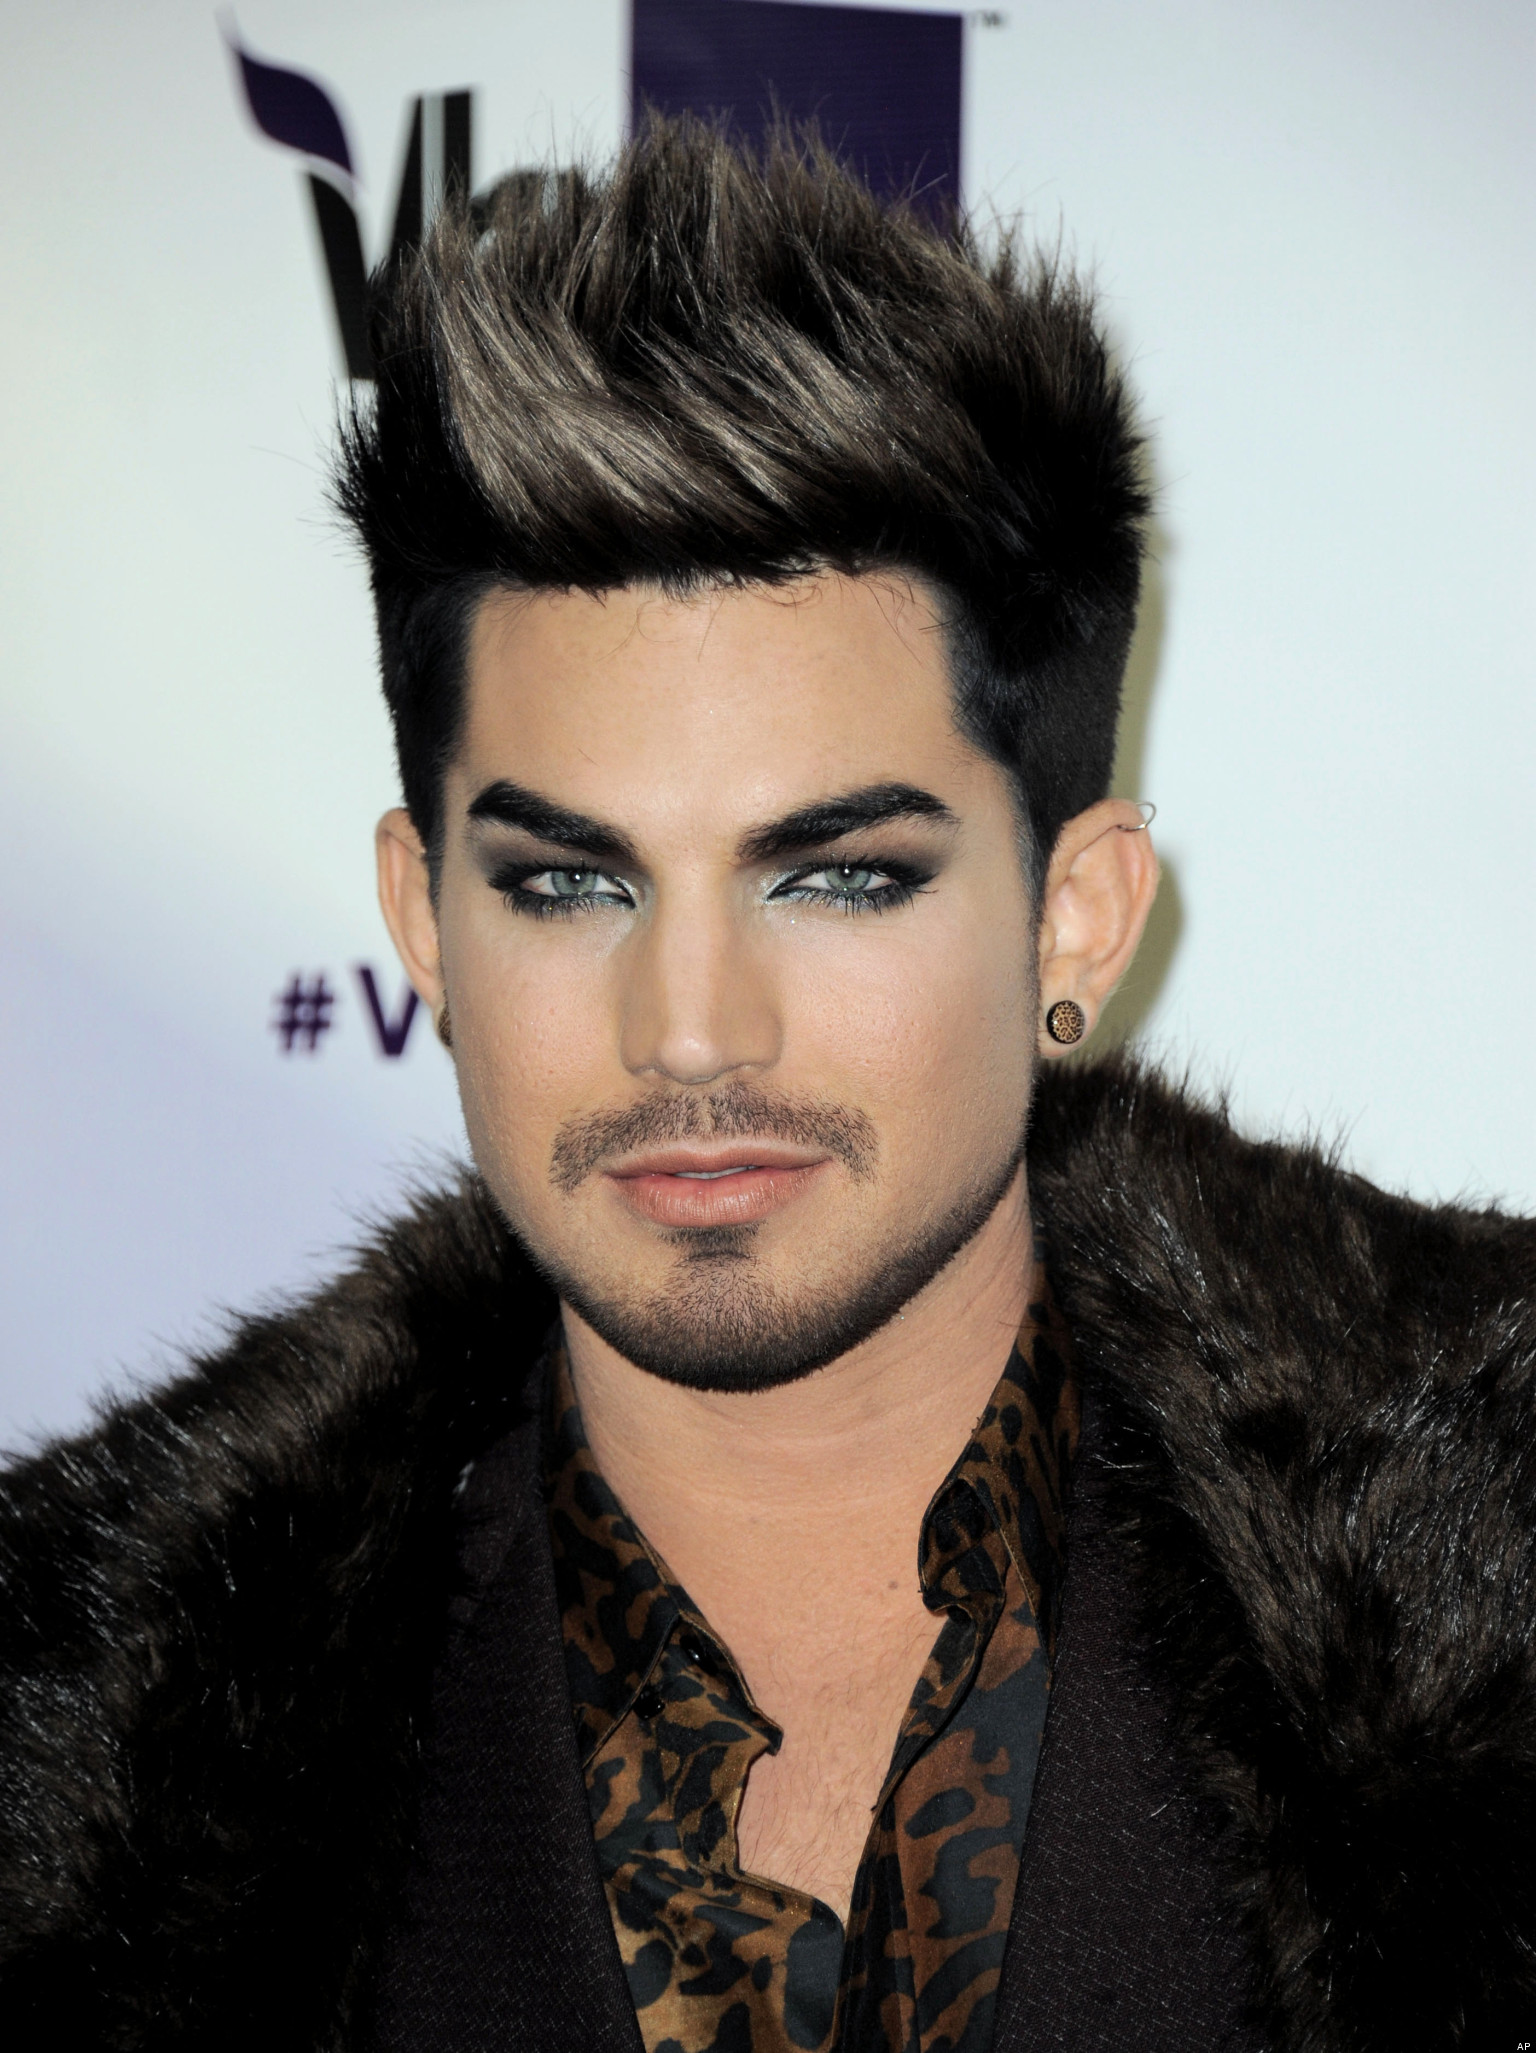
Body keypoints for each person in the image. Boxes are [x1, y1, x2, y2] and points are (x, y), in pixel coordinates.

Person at [0, 121, 1532, 2053]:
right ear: (421, 917)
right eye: (568, 882)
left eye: (838, 877)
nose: (692, 1028)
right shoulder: (68, 1748)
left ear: (1074, 919)